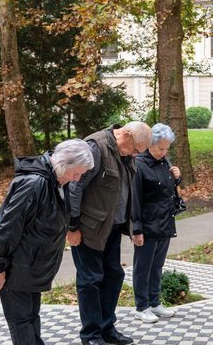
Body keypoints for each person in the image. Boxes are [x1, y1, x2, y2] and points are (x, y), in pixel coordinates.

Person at [0, 139, 94, 345]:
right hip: (15, 266)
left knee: (31, 316)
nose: (77, 178)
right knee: (21, 321)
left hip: (30, 266)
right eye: (76, 173)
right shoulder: (34, 183)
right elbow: (7, 227)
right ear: (63, 163)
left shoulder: (55, 181)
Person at [68, 122, 152, 345]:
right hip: (89, 230)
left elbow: (128, 192)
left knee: (114, 275)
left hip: (112, 229)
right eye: (135, 150)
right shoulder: (95, 148)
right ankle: (91, 335)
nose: (135, 155)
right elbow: (74, 187)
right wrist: (72, 227)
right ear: (125, 135)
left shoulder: (126, 153)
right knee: (90, 280)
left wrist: (134, 226)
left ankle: (107, 328)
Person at [131, 123, 181, 323]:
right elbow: (134, 200)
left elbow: (165, 190)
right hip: (147, 225)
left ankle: (155, 302)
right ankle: (141, 306)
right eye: (161, 148)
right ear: (150, 145)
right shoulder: (139, 165)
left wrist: (176, 179)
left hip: (165, 222)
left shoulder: (164, 162)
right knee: (143, 267)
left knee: (157, 266)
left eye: (167, 148)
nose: (164, 152)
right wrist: (136, 229)